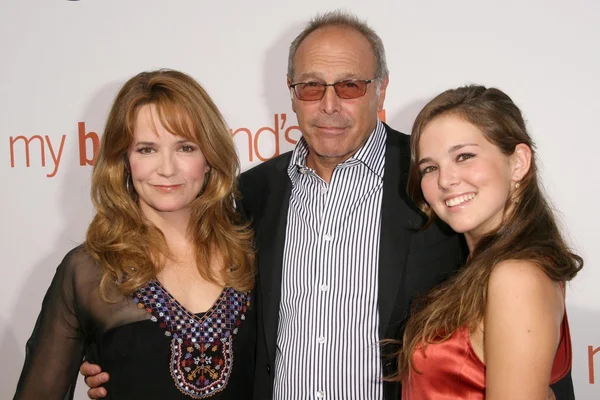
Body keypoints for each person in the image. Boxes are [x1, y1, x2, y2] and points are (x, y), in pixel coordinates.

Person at [81, 11, 577, 400]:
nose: (330, 105)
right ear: (292, 95)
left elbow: (517, 340)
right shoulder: (252, 195)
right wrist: (132, 359)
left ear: (381, 88)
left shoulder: (429, 180)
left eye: (351, 85)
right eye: (312, 86)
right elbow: (213, 307)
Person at [14, 69, 256, 399]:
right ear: (124, 160)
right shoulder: (89, 273)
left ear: (209, 158)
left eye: (185, 147)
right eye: (146, 149)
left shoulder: (254, 253)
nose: (167, 168)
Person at [396, 85, 582, 399]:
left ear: (519, 162)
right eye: (430, 167)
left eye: (464, 156)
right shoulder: (491, 269)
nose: (445, 180)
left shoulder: (516, 277)